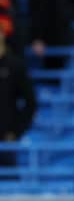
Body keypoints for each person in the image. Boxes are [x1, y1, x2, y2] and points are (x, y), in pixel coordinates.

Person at [0, 25, 37, 168]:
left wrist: (16, 130)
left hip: (7, 138)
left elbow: (31, 102)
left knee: (10, 183)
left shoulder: (15, 66)